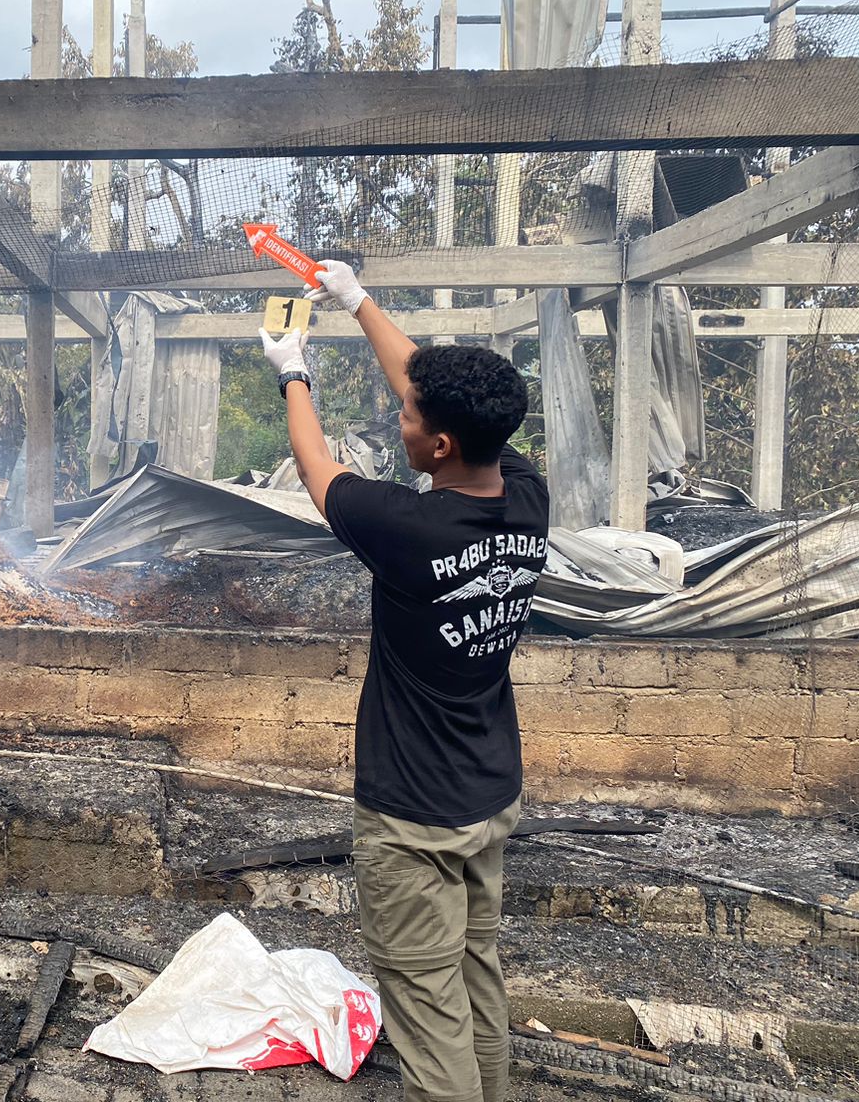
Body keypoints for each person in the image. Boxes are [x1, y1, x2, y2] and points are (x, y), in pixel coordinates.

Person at [260, 261, 548, 1102]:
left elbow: (316, 469)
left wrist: (293, 371)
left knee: (427, 1023)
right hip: (489, 799)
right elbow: (434, 385)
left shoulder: (407, 528)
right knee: (473, 985)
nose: (400, 413)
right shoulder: (525, 493)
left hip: (414, 819)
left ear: (439, 445)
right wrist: (356, 301)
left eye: (410, 417)